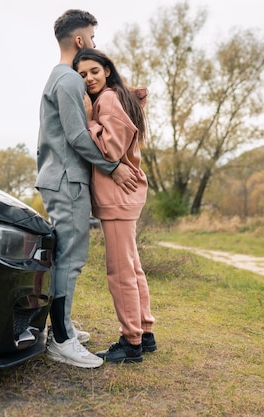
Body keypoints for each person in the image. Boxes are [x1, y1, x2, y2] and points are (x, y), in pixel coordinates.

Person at [35, 9, 140, 368]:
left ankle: (62, 326)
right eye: (92, 38)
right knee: (71, 259)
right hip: (67, 180)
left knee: (66, 256)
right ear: (79, 41)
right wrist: (112, 165)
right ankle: (62, 341)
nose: (95, 44)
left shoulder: (62, 78)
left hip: (64, 177)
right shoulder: (68, 81)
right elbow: (78, 135)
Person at [73, 48, 157, 363]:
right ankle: (144, 333)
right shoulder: (117, 96)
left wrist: (89, 119)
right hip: (124, 196)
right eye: (82, 75)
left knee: (119, 271)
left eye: (94, 70)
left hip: (117, 196)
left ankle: (131, 341)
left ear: (107, 69)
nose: (89, 78)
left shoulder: (107, 100)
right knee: (132, 267)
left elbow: (110, 149)